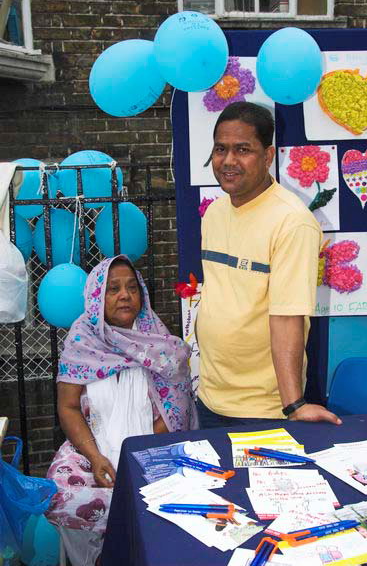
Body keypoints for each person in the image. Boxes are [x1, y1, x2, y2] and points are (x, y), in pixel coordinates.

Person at [196, 101, 342, 427]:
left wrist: (293, 405)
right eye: (221, 149)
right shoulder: (215, 213)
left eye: (243, 149)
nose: (228, 161)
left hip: (263, 410)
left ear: (268, 156)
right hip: (209, 396)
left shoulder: (292, 223)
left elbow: (287, 318)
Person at [46, 255, 197, 566]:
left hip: (147, 449)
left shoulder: (158, 341)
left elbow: (176, 411)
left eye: (131, 288)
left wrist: (136, 458)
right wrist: (96, 457)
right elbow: (68, 406)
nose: (124, 295)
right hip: (94, 449)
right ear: (96, 298)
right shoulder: (82, 342)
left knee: (178, 500)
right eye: (113, 289)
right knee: (63, 496)